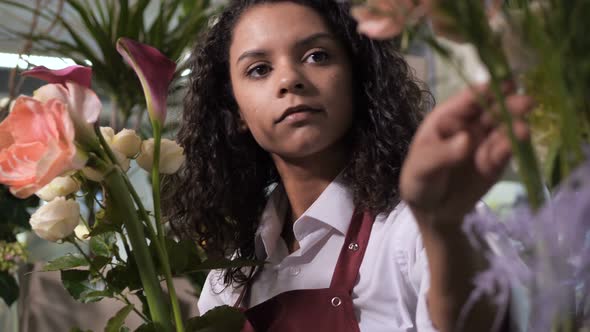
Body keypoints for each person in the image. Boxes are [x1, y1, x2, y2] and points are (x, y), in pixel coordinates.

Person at [163, 0, 533, 330]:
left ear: (358, 80)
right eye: (259, 69)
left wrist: (445, 228)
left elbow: (495, 319)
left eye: (317, 56)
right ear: (236, 113)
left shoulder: (418, 227)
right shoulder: (229, 280)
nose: (290, 79)